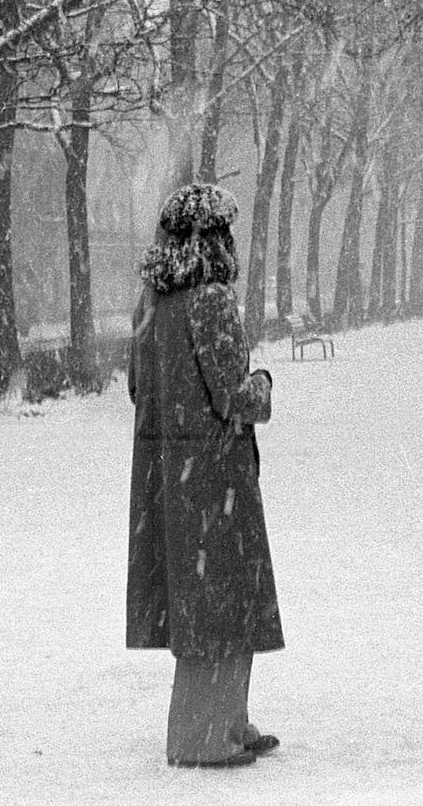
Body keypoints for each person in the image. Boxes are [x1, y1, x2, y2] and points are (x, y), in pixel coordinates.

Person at [126, 183, 283, 768]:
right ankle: (206, 737)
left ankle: (227, 722)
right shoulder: (212, 301)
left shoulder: (150, 305)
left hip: (168, 475)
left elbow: (137, 388)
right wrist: (263, 384)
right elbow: (233, 395)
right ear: (213, 239)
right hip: (214, 475)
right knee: (224, 603)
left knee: (200, 604)